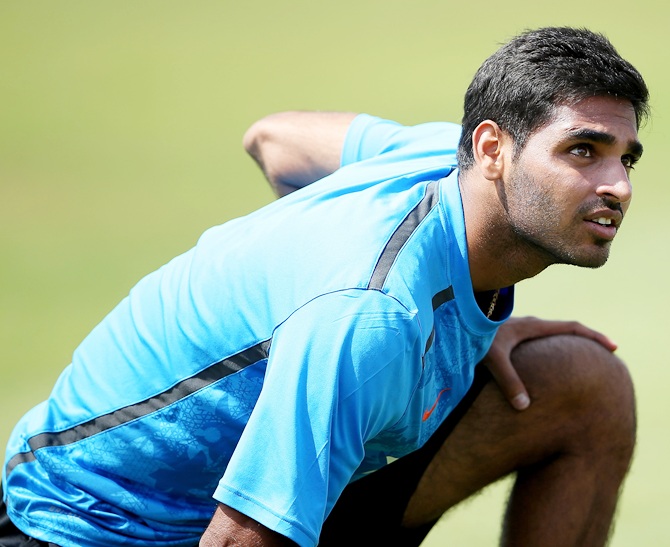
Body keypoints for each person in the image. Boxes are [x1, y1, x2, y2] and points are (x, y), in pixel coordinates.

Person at [1, 26, 648, 547]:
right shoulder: (371, 315)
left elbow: (273, 139)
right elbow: (239, 539)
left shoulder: (430, 156)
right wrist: (338, 274)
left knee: (583, 385)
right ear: (491, 149)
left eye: (625, 156)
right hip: (106, 525)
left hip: (283, 472)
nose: (616, 184)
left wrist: (456, 326)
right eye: (582, 150)